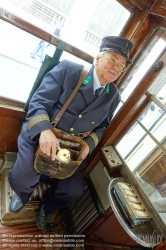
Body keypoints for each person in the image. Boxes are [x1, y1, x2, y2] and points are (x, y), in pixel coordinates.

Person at [8, 36, 134, 229]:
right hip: (42, 134)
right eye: (113, 59)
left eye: (122, 65)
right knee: (22, 178)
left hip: (72, 147)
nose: (117, 67)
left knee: (73, 192)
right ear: (98, 58)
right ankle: (23, 194)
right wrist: (45, 131)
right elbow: (38, 102)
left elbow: (102, 126)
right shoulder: (70, 70)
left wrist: (88, 145)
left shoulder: (113, 96)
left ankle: (47, 206)